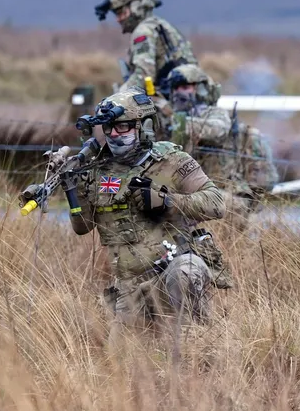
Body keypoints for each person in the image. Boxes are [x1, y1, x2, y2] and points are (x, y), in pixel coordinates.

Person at [31, 88, 227, 343]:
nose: (113, 134)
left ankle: (194, 343)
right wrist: (73, 186)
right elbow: (82, 226)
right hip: (129, 287)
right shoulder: (96, 170)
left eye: (122, 127)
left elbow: (216, 203)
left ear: (142, 126)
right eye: (109, 127)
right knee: (121, 365)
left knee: (185, 274)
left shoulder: (172, 160)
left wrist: (167, 202)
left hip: (173, 269)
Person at [166, 64, 278, 230]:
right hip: (194, 195)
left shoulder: (213, 114)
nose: (178, 93)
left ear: (201, 89)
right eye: (175, 88)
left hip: (225, 196)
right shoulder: (172, 117)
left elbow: (217, 129)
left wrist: (177, 123)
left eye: (185, 87)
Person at [94, 0, 198, 138]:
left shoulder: (143, 31)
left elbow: (143, 75)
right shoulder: (162, 25)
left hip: (166, 106)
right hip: (183, 103)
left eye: (121, 12)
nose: (118, 19)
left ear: (136, 8)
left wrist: (116, 100)